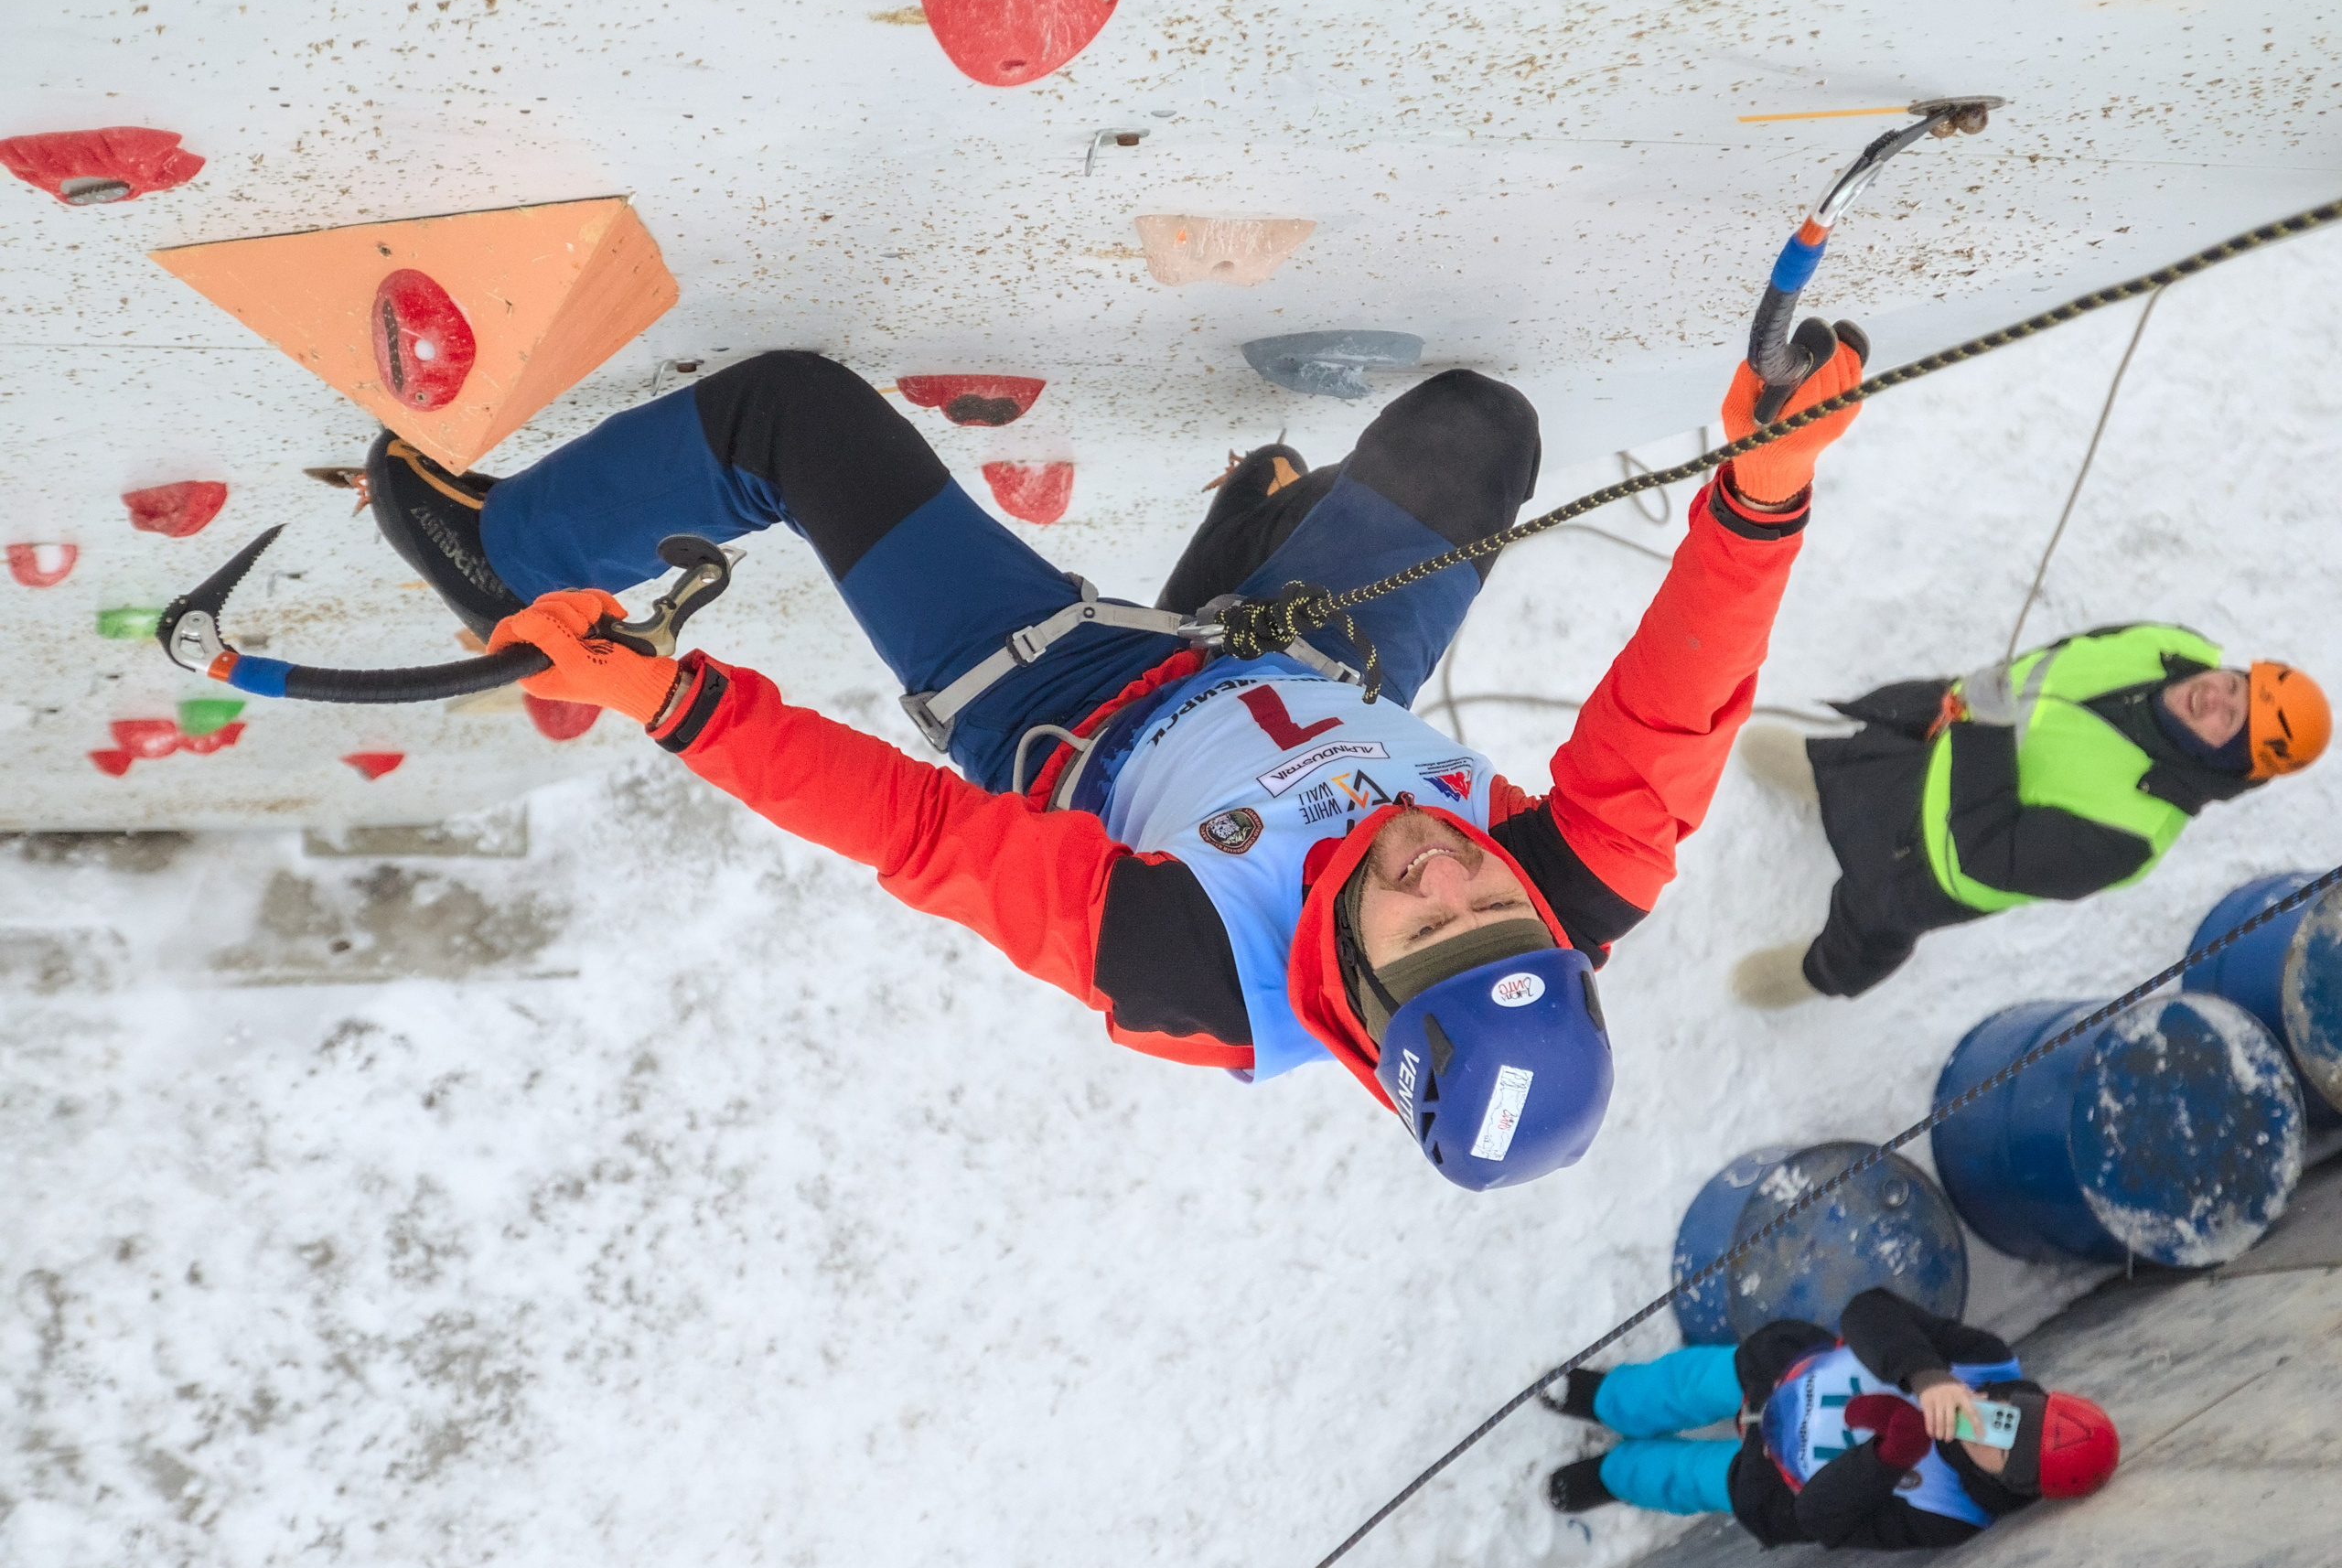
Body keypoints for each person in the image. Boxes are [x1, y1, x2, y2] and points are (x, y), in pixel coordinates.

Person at [361, 322, 1866, 1191]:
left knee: (790, 412)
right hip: (1305, 668)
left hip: (1052, 683)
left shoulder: (1185, 965)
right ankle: (1235, 573)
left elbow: (922, 836)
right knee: (1480, 433)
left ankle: (509, 554)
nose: (1449, 867)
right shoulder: (1582, 875)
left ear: (1362, 999)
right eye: (1499, 903)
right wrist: (1766, 487)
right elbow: (1687, 697)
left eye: (1427, 925)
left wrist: (674, 698)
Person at [1731, 625, 2330, 1006]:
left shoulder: (2135, 833)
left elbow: (1986, 853)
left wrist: (1983, 728)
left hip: (1923, 867)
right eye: (2234, 685)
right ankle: (1819, 779)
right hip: (1932, 748)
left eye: (2230, 721)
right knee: (1847, 768)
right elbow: (2055, 664)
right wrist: (1965, 701)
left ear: (2228, 759)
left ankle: (1809, 977)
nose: (2213, 697)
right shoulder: (2171, 648)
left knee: (1859, 937)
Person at [1542, 1285, 2119, 1549]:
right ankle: (1604, 1398)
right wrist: (1927, 1375)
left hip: (1775, 1479)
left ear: (2009, 1482)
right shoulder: (1983, 1361)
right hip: (1787, 1372)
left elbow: (1822, 1518)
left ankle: (1615, 1475)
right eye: (2010, 1412)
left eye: (2003, 1445)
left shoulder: (1951, 1515)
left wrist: (1887, 1458)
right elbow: (1869, 1310)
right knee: (1683, 1384)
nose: (1987, 1420)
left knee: (1689, 1478)